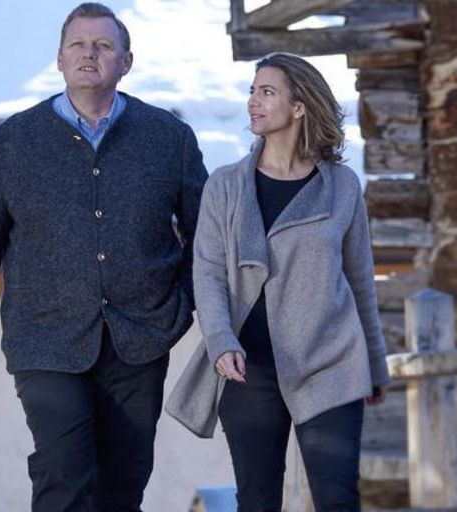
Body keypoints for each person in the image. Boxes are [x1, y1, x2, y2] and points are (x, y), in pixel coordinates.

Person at [0, 3, 207, 511]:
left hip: (141, 338)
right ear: (59, 59)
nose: (90, 54)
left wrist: (181, 304)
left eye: (103, 45)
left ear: (126, 62)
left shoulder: (169, 138)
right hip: (44, 339)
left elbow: (207, 235)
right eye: (78, 45)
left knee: (122, 486)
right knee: (63, 473)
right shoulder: (13, 143)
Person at [171, 52, 390, 511]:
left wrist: (374, 363)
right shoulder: (225, 186)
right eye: (252, 91)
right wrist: (220, 341)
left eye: (266, 92)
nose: (253, 101)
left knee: (337, 499)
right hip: (247, 368)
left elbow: (359, 280)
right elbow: (207, 273)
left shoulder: (343, 186)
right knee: (257, 500)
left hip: (330, 363)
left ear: (299, 106)